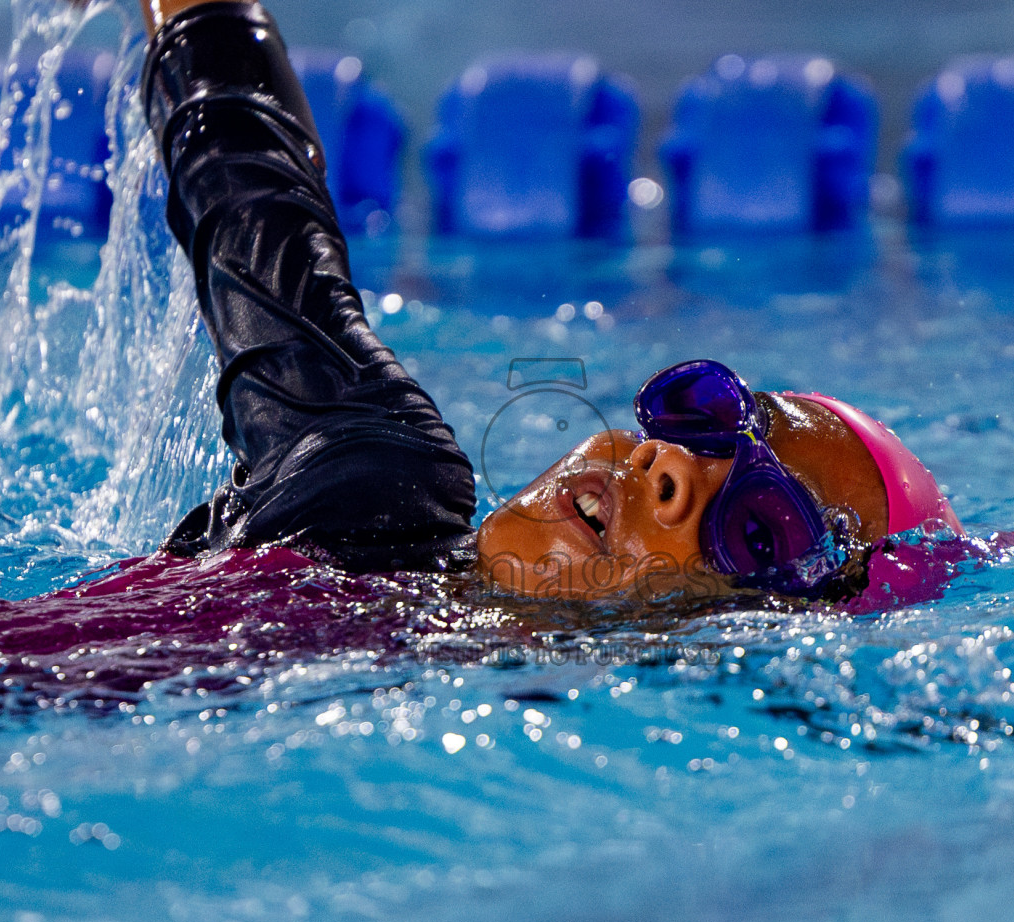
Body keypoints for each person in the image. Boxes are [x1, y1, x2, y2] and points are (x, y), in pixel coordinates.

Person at [135, 0, 967, 605]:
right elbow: (248, 182)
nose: (668, 465)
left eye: (762, 529)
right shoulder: (366, 484)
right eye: (704, 417)